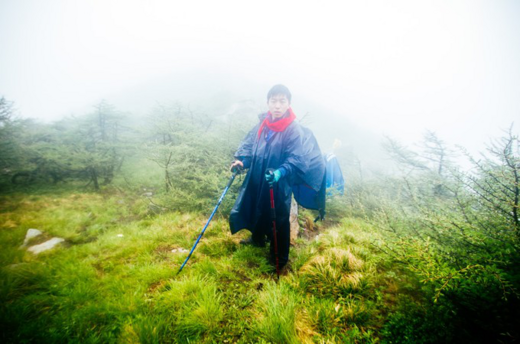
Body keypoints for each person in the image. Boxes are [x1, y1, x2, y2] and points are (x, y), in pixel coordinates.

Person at [229, 84, 326, 272]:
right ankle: (257, 239)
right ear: (268, 103)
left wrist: (281, 172)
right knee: (257, 206)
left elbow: (296, 158)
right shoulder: (263, 124)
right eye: (273, 101)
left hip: (279, 182)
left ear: (288, 103)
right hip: (258, 176)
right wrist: (243, 162)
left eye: (282, 101)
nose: (277, 105)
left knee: (278, 218)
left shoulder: (292, 129)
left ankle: (279, 258)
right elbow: (251, 148)